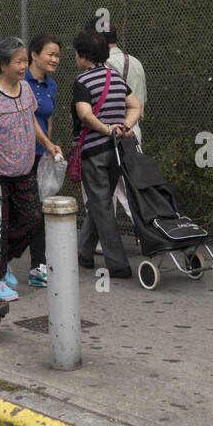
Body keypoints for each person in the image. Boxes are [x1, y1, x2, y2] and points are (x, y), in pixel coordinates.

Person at [0, 37, 62, 303]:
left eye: (25, 61)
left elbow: (32, 120)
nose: (23, 66)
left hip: (24, 171)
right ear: (2, 64)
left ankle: (3, 261)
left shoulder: (26, 89)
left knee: (31, 219)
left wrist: (48, 144)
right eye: (18, 61)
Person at [71, 29, 142, 278]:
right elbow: (135, 105)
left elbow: (84, 115)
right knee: (100, 202)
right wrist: (125, 126)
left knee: (101, 205)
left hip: (94, 152)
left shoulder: (82, 82)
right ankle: (83, 252)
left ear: (81, 56)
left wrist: (104, 129)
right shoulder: (116, 78)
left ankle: (118, 264)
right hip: (117, 151)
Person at [23, 32, 61, 288]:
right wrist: (46, 143)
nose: (55, 59)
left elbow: (47, 118)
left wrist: (48, 146)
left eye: (57, 55)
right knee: (22, 212)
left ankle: (38, 266)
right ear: (34, 55)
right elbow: (27, 117)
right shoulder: (19, 80)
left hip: (40, 156)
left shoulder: (52, 86)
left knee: (38, 211)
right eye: (50, 54)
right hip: (17, 156)